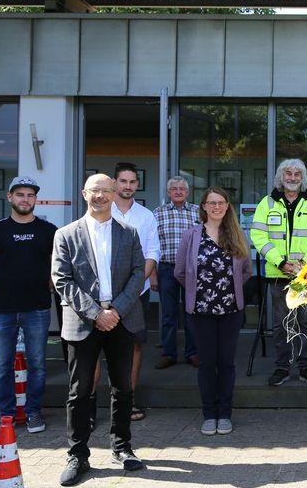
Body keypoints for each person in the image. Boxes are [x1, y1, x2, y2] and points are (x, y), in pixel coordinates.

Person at [52, 174, 146, 486]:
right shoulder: (66, 234)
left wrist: (115, 310)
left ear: (114, 193)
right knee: (79, 390)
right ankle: (77, 454)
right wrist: (96, 314)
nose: (101, 196)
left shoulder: (129, 232)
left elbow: (138, 273)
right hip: (83, 321)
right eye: (95, 190)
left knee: (123, 387)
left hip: (121, 318)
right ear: (84, 194)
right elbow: (62, 279)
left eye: (106, 191)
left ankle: (122, 447)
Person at [0, 176, 58, 437]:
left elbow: (56, 267)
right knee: (2, 365)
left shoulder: (49, 231)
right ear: (10, 197)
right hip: (2, 310)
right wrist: (4, 289)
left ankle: (34, 412)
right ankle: (6, 415)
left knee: (38, 364)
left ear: (36, 199)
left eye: (30, 195)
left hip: (37, 309)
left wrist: (45, 286)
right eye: (20, 194)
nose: (26, 199)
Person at [175, 187, 252, 436]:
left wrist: (229, 290)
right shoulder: (191, 235)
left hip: (231, 310)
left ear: (227, 206)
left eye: (221, 202)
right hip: (200, 311)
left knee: (226, 363)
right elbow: (180, 272)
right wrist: (198, 291)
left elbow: (246, 271)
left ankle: (225, 414)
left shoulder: (237, 234)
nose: (216, 207)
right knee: (207, 364)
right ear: (204, 207)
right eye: (211, 203)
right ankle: (209, 414)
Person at [250, 158, 307, 387]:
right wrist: (281, 262)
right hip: (278, 274)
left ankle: (305, 367)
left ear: (303, 178)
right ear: (281, 176)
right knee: (281, 323)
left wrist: (304, 264)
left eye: (297, 174)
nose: (292, 177)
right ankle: (282, 367)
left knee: (305, 322)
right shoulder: (267, 203)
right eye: (288, 173)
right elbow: (258, 236)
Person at [106, 162, 159, 422]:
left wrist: (135, 286)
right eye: (123, 181)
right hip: (104, 294)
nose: (128, 186)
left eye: (132, 182)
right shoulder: (102, 211)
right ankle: (91, 404)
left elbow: (153, 253)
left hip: (138, 293)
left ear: (137, 184)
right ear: (114, 183)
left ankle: (128, 400)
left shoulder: (146, 216)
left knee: (134, 346)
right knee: (99, 349)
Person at [153, 176, 201, 369]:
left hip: (192, 269)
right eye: (174, 189)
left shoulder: (198, 212)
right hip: (167, 268)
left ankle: (192, 353)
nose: (178, 192)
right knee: (168, 314)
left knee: (192, 312)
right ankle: (169, 354)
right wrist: (153, 274)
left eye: (182, 189)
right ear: (168, 192)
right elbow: (151, 245)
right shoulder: (158, 213)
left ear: (187, 192)